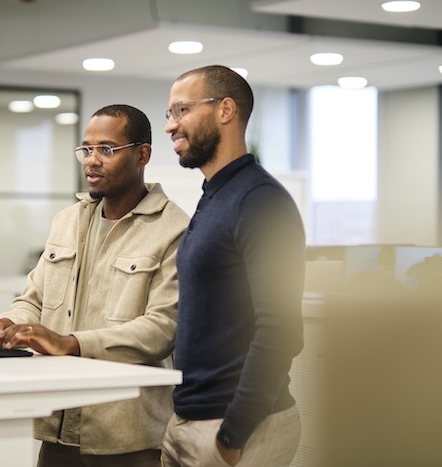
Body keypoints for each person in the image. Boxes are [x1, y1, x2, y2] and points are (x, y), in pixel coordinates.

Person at [0, 104, 189, 466]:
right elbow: (34, 298)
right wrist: (12, 324)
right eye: (86, 149)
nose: (91, 160)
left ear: (142, 154)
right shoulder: (67, 221)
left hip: (126, 434)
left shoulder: (173, 229)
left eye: (106, 149)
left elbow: (161, 329)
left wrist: (69, 344)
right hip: (58, 421)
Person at [160, 65, 306, 467]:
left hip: (237, 428)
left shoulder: (261, 201)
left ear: (225, 110)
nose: (171, 126)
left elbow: (281, 329)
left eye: (181, 110)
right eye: (169, 114)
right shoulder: (215, 197)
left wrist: (232, 433)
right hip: (188, 419)